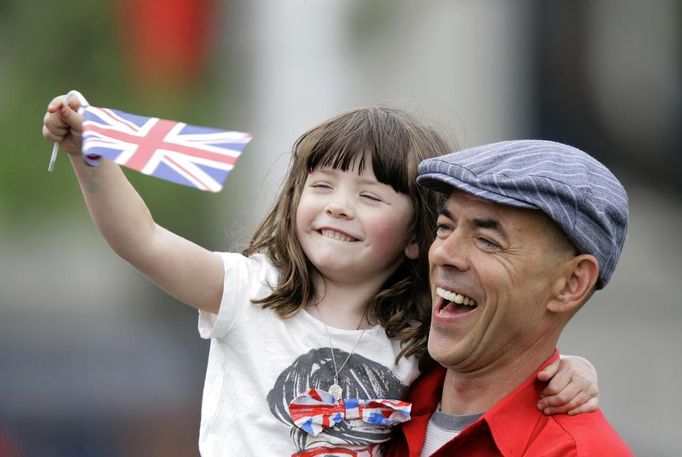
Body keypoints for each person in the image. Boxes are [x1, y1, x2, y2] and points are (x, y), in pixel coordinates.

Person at [43, 98, 599, 457]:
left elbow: (501, 354)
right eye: (323, 185)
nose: (339, 206)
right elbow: (141, 239)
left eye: (370, 196)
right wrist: (89, 156)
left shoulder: (422, 332)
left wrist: (570, 370)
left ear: (416, 237)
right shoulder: (248, 290)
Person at [386, 139, 634, 456]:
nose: (444, 253)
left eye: (488, 241)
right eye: (445, 227)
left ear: (571, 283)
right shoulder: (380, 395)